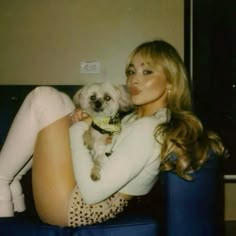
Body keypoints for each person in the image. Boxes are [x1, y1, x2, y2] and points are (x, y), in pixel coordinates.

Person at [0, 40, 225, 227]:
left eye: (147, 72)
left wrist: (79, 128)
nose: (134, 79)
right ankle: (11, 183)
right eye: (131, 71)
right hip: (75, 190)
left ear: (170, 83)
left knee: (44, 97)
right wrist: (87, 123)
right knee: (61, 102)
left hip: (73, 206)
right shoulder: (135, 119)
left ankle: (2, 180)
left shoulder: (149, 128)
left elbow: (92, 192)